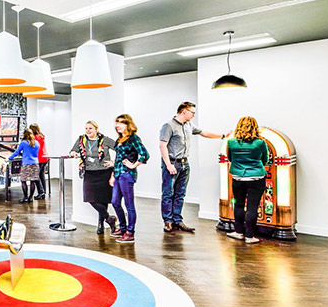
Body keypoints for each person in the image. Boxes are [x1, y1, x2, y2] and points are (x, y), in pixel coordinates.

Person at [159, 102, 224, 233]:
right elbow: (162, 145)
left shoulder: (189, 125)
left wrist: (223, 136)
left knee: (180, 194)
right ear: (184, 111)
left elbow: (204, 133)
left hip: (184, 164)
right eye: (192, 112)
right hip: (172, 163)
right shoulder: (168, 126)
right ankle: (168, 221)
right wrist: (169, 165)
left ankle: (177, 220)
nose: (194, 115)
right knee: (168, 194)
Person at [225, 116, 269, 244]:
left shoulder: (231, 142)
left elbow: (230, 158)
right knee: (252, 207)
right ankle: (250, 236)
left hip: (238, 177)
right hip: (256, 177)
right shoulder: (260, 143)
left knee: (239, 204)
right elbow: (265, 160)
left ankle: (238, 232)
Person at [69, 121, 117, 235]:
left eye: (90, 128)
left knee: (102, 199)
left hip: (104, 172)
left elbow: (121, 150)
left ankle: (101, 224)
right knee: (90, 198)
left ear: (96, 129)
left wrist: (114, 162)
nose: (88, 130)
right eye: (86, 128)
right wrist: (73, 153)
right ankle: (109, 218)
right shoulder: (81, 140)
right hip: (89, 172)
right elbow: (73, 150)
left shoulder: (104, 139)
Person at [109, 114, 149, 244]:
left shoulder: (133, 138)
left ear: (128, 124)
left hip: (127, 175)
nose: (118, 125)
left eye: (121, 123)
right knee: (115, 202)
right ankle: (123, 228)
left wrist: (133, 165)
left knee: (129, 204)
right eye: (117, 122)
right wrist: (112, 175)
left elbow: (144, 154)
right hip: (118, 174)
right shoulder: (119, 140)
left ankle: (130, 233)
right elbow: (117, 159)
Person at [8, 128, 42, 203]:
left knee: (23, 181)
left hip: (26, 164)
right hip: (35, 164)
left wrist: (9, 158)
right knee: (33, 181)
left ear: (24, 134)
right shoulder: (36, 143)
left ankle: (25, 197)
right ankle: (30, 198)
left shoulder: (23, 143)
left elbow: (16, 152)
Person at [29, 123, 48, 199]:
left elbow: (36, 149)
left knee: (35, 176)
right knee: (41, 175)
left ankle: (41, 192)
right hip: (45, 157)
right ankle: (43, 192)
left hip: (39, 158)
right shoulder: (41, 136)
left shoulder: (36, 137)